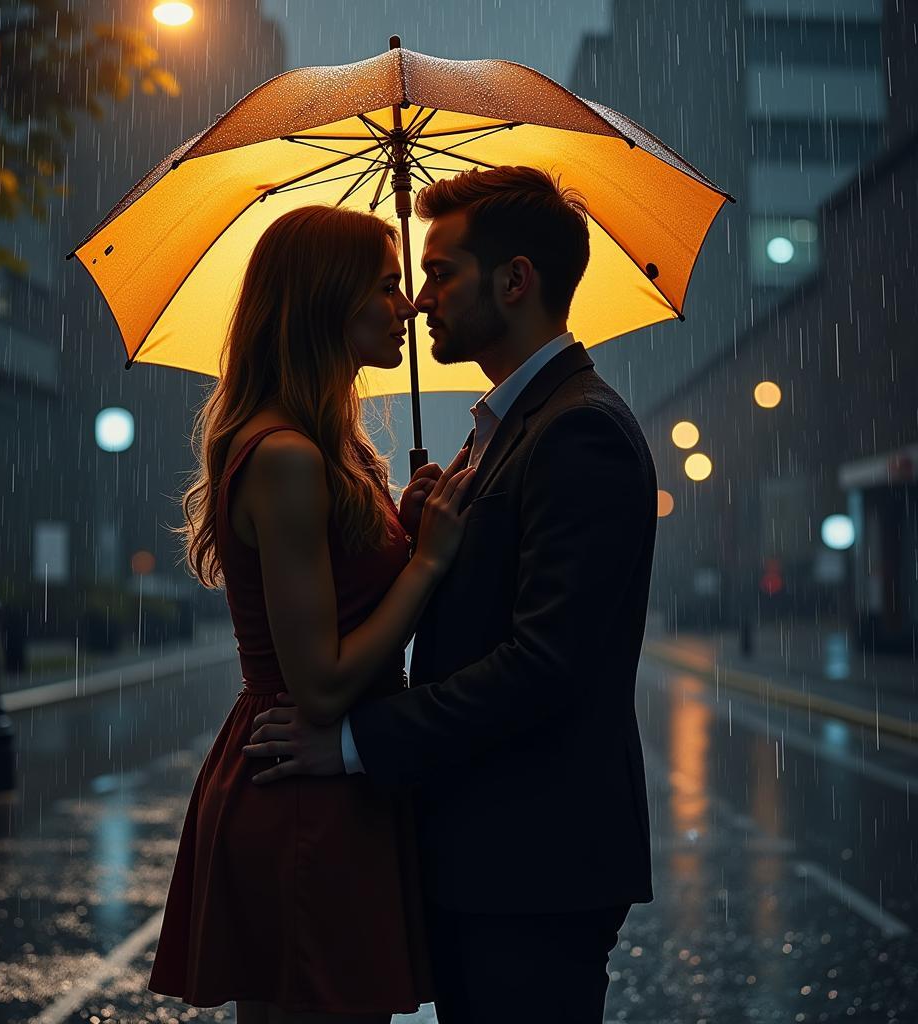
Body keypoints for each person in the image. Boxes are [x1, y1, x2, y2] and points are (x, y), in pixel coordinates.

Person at [245, 166, 658, 1024]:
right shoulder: (503, 431)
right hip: (487, 852)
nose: (419, 300)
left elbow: (545, 665)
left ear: (515, 281)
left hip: (534, 864)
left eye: (439, 273)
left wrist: (355, 743)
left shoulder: (578, 431)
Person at [147, 204, 477, 1023]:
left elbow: (346, 589)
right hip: (304, 783)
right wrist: (428, 562)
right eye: (387, 286)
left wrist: (402, 520)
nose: (408, 306)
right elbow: (322, 684)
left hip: (333, 781)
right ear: (328, 301)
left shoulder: (331, 447)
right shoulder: (289, 457)